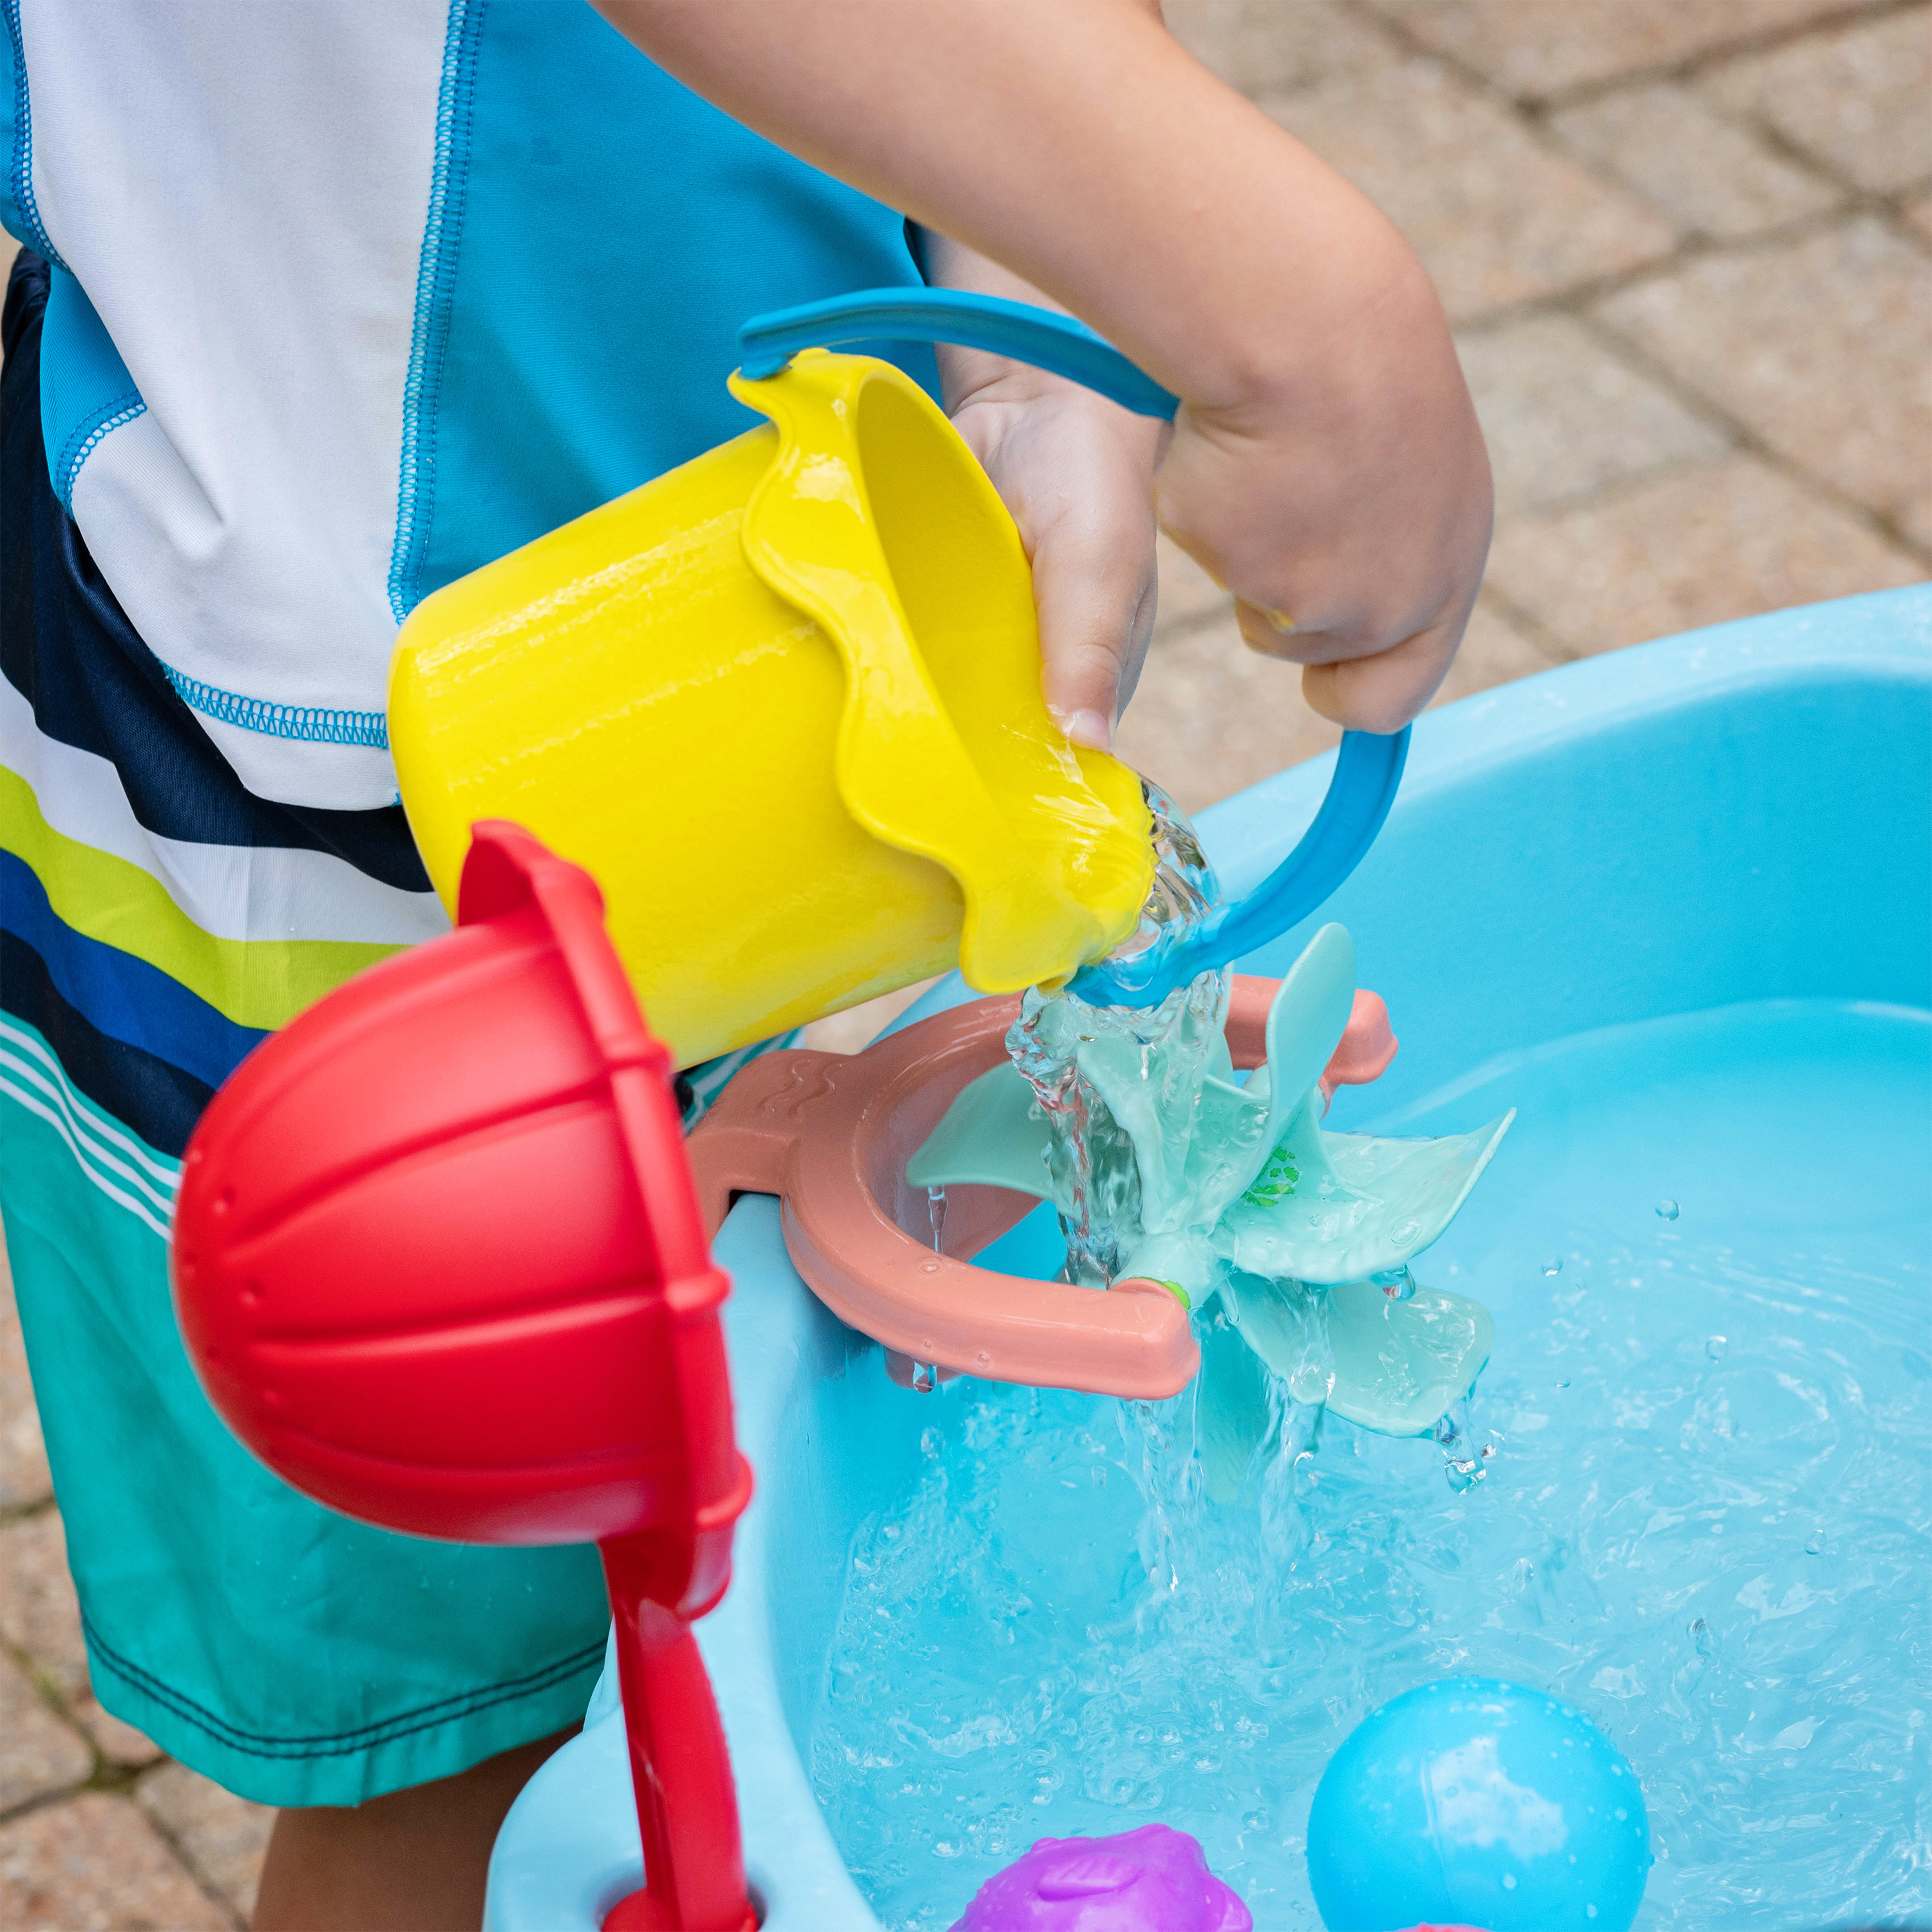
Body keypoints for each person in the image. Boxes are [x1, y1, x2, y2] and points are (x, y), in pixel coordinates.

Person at [0, 0, 1488, 1925]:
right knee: (489, 1745)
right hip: (373, 761)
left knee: (718, 1631)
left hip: (788, 606)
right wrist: (1288, 298)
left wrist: (1031, 294)